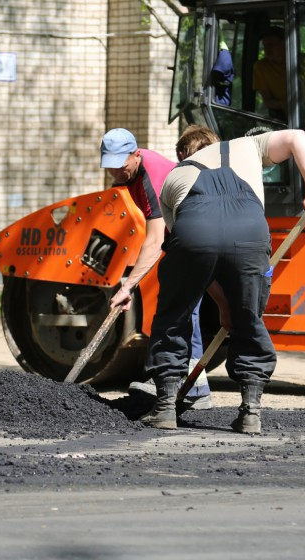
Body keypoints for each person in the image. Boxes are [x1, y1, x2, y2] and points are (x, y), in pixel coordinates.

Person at [135, 126, 305, 432]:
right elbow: (297, 137)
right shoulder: (249, 144)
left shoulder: (174, 177)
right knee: (249, 319)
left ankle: (164, 408)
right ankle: (250, 412)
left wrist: (221, 303)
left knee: (174, 315)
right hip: (250, 230)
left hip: (193, 227)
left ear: (184, 153)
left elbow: (195, 260)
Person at [100, 128, 212, 409]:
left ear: (135, 155)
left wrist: (127, 286)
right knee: (185, 308)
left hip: (198, 235)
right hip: (187, 236)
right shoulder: (134, 173)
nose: (116, 172)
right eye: (110, 168)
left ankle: (190, 386)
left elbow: (153, 240)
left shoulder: (149, 177)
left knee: (182, 307)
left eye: (120, 166)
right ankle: (193, 387)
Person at [252, 27, 305, 121]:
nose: (267, 50)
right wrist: (283, 105)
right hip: (288, 116)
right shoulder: (261, 67)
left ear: (285, 44)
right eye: (265, 46)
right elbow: (267, 100)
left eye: (271, 45)